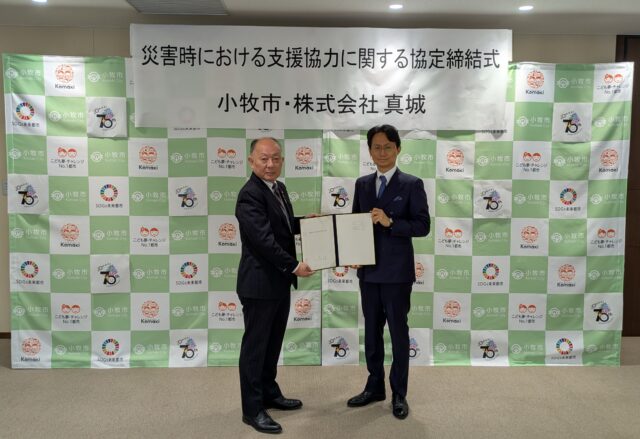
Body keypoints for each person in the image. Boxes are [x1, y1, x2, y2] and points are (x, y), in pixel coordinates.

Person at [347, 124, 430, 420]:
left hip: (396, 274)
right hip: (368, 272)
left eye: (387, 147)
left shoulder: (412, 184)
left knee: (397, 333)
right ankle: (374, 386)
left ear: (398, 149)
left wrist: (391, 222)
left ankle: (399, 392)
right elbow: (355, 225)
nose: (382, 153)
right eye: (376, 147)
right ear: (370, 151)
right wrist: (352, 254)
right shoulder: (362, 184)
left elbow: (422, 226)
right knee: (371, 332)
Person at [235, 137, 314, 434]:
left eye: (276, 158)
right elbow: (264, 240)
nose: (270, 164)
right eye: (264, 158)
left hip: (278, 283)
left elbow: (282, 225)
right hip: (259, 285)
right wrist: (294, 266)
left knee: (272, 344)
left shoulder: (278, 187)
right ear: (251, 161)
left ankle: (269, 392)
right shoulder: (249, 195)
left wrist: (308, 224)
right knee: (255, 349)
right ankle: (252, 409)